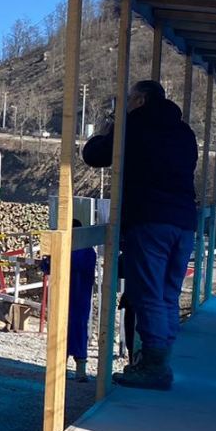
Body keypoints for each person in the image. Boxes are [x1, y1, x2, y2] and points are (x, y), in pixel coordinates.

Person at [82, 79, 198, 390]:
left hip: (150, 220)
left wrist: (111, 126)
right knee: (168, 294)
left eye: (130, 99)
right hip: (185, 222)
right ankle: (162, 356)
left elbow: (94, 155)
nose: (128, 104)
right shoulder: (185, 133)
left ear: (141, 101)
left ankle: (154, 366)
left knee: (147, 294)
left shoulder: (133, 126)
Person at [43, 219, 97, 381]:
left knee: (67, 331)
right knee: (74, 331)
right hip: (76, 298)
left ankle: (71, 370)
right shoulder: (88, 251)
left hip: (74, 297)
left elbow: (48, 267)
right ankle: (74, 370)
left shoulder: (77, 251)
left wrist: (51, 256)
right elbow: (47, 267)